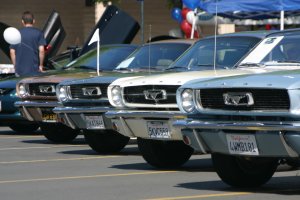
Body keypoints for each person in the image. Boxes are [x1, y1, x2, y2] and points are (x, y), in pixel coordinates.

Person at [10, 11, 46, 77]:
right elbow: (42, 50)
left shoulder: (16, 34)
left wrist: (15, 66)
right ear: (34, 21)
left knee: (19, 86)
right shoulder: (39, 33)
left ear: (22, 21)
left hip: (19, 70)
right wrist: (41, 65)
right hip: (34, 69)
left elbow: (12, 52)